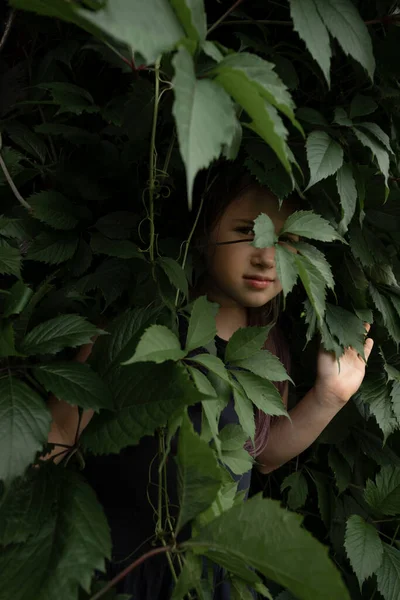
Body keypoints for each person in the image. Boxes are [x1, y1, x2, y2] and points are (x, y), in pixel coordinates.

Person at [45, 165, 374, 598]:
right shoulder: (139, 332)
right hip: (114, 570)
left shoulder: (268, 349)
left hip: (203, 579)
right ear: (203, 230)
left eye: (287, 240)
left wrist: (328, 397)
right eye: (246, 231)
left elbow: (264, 455)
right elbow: (60, 433)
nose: (267, 255)